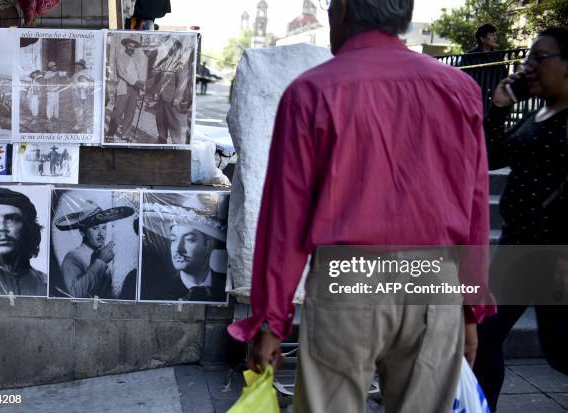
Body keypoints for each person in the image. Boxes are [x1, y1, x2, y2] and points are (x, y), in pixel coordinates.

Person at [227, 0, 494, 411]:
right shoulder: (459, 89)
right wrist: (471, 307)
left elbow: (285, 221)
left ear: (345, 12)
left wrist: (271, 320)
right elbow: (476, 206)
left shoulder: (312, 90)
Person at [473, 27, 568, 411]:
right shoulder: (541, 113)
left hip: (555, 252)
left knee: (561, 350)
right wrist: (499, 105)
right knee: (486, 334)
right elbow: (489, 156)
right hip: (521, 246)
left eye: (539, 58)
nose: (529, 66)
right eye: (528, 58)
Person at [141, 204, 227, 302]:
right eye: (173, 240)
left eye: (189, 240)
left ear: (208, 244)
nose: (178, 249)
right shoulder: (156, 290)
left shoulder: (227, 285)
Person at [54, 201, 135, 299]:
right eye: (95, 228)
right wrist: (101, 262)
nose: (101, 234)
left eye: (104, 228)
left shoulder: (101, 255)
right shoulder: (72, 258)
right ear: (83, 233)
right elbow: (74, 294)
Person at [106, 37, 148, 140]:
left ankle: (126, 134)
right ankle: (110, 133)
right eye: (130, 46)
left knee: (130, 112)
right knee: (118, 111)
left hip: (135, 90)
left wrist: (142, 84)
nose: (131, 48)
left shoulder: (136, 59)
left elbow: (140, 73)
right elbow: (122, 73)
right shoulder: (120, 57)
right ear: (126, 46)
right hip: (124, 88)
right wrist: (135, 82)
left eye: (133, 47)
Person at [150, 39, 191, 144]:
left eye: (170, 47)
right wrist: (156, 92)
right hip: (161, 96)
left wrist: (177, 98)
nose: (168, 49)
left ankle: (176, 142)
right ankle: (162, 139)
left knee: (173, 122)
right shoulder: (166, 60)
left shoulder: (181, 63)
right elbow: (159, 78)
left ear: (176, 48)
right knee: (160, 119)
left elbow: (182, 83)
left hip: (172, 97)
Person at [70, 59, 93, 133]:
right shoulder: (78, 73)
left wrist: (83, 94)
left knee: (81, 110)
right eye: (76, 65)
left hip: (81, 95)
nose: (77, 66)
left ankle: (81, 125)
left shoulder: (83, 74)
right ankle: (82, 124)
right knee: (81, 110)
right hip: (77, 94)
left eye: (79, 65)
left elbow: (85, 85)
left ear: (82, 66)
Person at [44, 61, 63, 128]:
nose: (55, 67)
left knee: (56, 105)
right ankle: (49, 118)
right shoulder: (48, 73)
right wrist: (56, 73)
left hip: (56, 91)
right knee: (50, 105)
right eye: (53, 66)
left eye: (55, 66)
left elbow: (64, 76)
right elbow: (46, 77)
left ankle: (56, 117)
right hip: (50, 92)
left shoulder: (58, 73)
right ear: (50, 68)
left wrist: (63, 74)